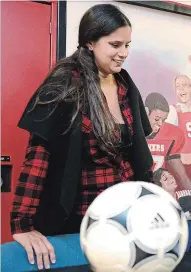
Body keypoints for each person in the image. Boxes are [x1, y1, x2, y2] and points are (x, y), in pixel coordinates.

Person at [10, 4, 153, 270]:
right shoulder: (64, 83)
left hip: (124, 222)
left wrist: (152, 204)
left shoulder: (124, 84)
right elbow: (38, 157)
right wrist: (21, 224)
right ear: (90, 41)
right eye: (115, 45)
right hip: (77, 223)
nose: (124, 54)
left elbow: (137, 158)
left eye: (128, 45)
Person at [144, 92, 191, 191]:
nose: (160, 124)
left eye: (164, 120)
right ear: (146, 111)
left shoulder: (172, 134)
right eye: (157, 119)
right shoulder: (132, 131)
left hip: (160, 193)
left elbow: (181, 175)